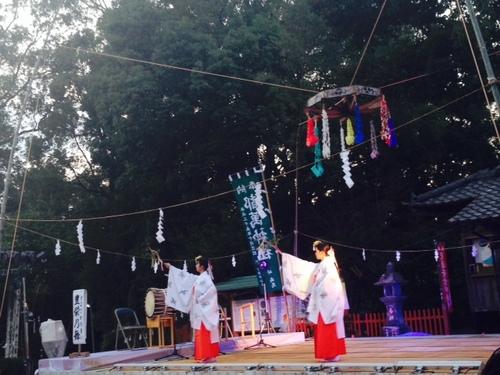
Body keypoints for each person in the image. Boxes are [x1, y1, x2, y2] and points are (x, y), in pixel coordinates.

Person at [277, 240, 347, 362]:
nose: (315, 254)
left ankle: (332, 353)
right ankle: (329, 354)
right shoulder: (323, 264)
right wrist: (286, 257)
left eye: (316, 251)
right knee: (324, 328)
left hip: (328, 301)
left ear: (322, 251)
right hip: (323, 302)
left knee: (328, 327)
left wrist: (317, 286)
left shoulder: (328, 264)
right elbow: (307, 267)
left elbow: (330, 283)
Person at [162, 255, 219, 363]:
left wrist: (200, 299)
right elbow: (186, 277)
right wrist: (171, 268)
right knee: (202, 334)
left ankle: (207, 356)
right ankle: (208, 356)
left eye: (197, 264)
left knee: (204, 334)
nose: (196, 266)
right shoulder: (200, 278)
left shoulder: (205, 278)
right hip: (200, 311)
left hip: (204, 312)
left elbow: (212, 291)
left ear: (202, 266)